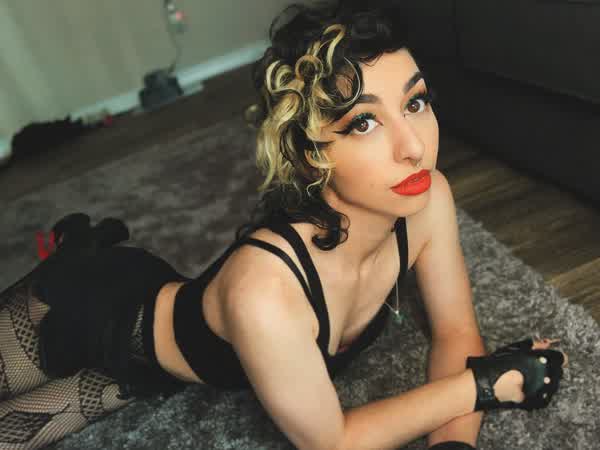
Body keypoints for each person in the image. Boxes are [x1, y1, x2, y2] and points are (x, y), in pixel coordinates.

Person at [0, 1, 568, 449]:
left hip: (147, 374)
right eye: (364, 122)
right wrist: (486, 384)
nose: (414, 147)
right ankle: (76, 258)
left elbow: (456, 333)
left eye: (415, 103)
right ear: (309, 154)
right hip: (84, 305)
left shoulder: (428, 199)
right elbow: (332, 441)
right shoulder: (265, 289)